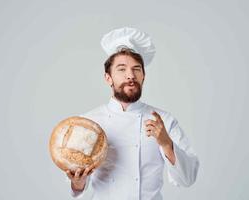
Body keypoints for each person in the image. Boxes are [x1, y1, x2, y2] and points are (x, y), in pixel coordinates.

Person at [65, 27, 199, 200]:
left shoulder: (164, 120)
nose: (130, 75)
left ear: (143, 76)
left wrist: (166, 143)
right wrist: (77, 182)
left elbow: (188, 179)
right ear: (108, 78)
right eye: (121, 69)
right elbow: (78, 184)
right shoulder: (88, 122)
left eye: (136, 69)